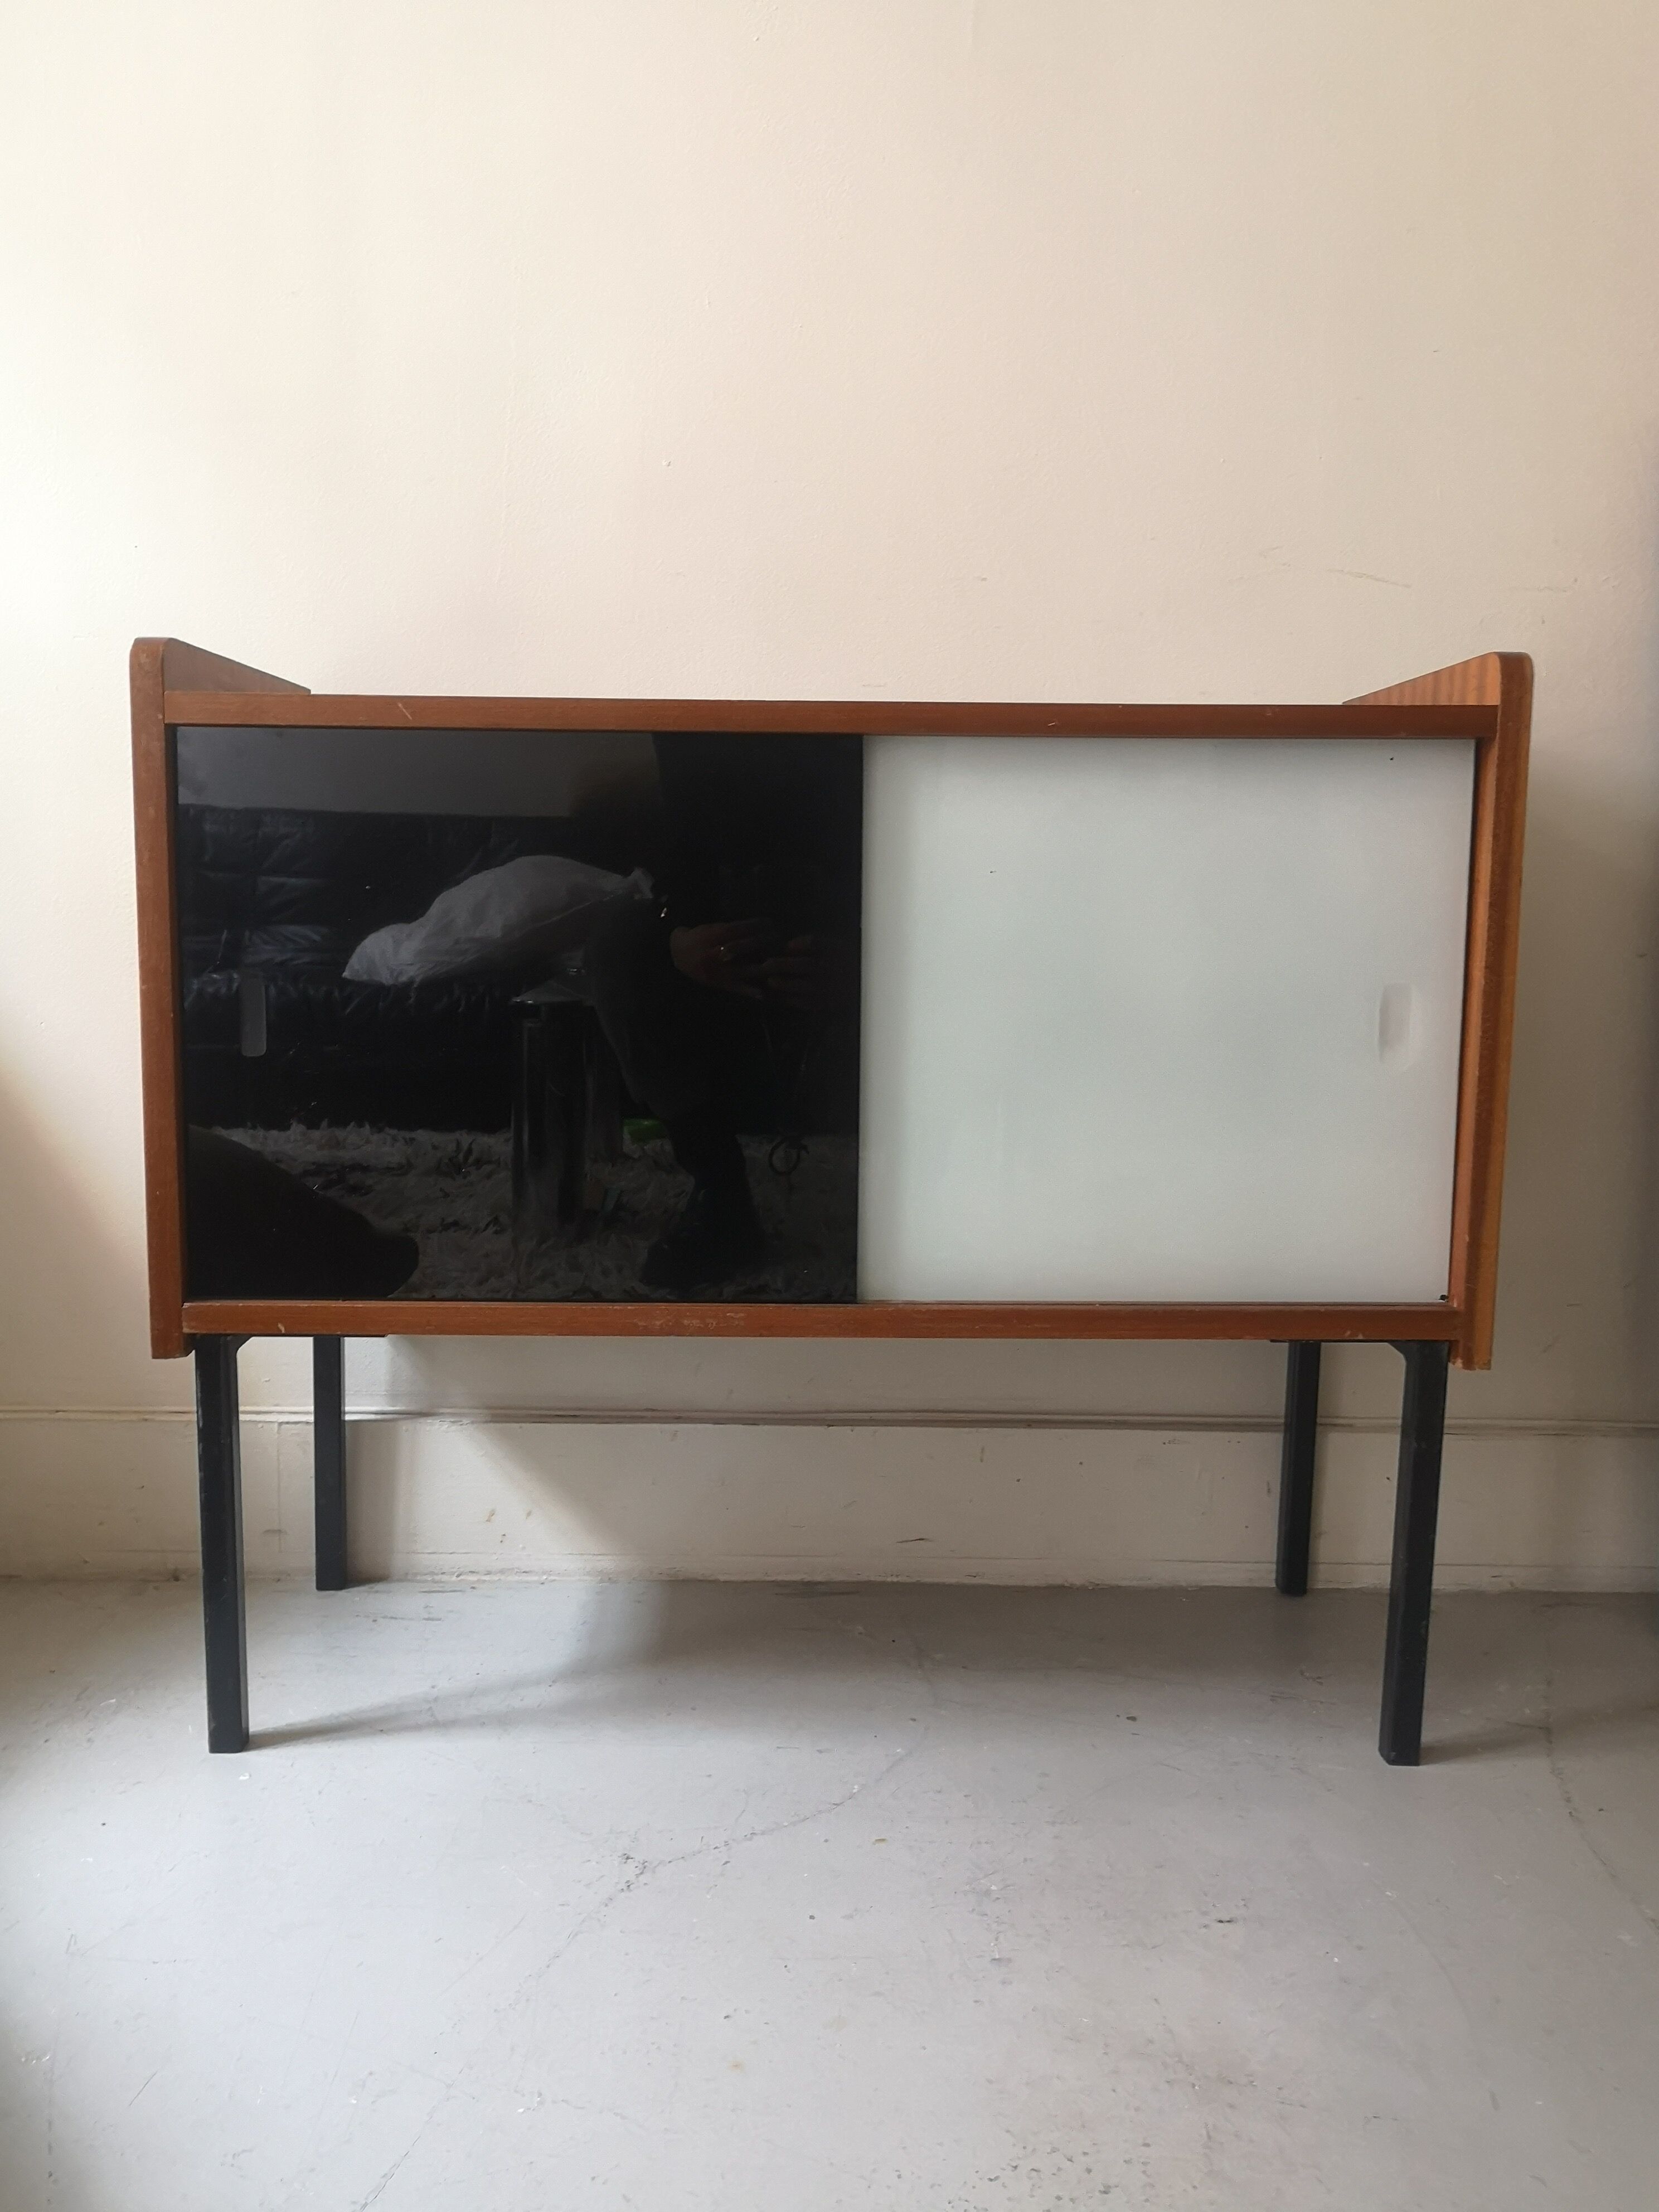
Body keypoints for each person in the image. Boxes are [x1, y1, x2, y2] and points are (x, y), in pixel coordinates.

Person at [586, 731, 861, 1293]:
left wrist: (872, 957)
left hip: (860, 927)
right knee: (616, 944)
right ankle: (719, 1191)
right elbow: (683, 850)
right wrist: (678, 937)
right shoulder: (696, 722)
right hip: (734, 934)